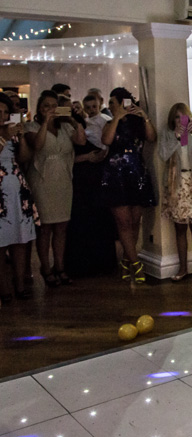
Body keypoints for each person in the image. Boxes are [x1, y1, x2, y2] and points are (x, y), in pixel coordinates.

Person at [24, 90, 86, 287]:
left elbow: (82, 141)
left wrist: (73, 120)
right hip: (42, 180)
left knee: (61, 227)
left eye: (53, 105)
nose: (51, 109)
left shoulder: (66, 126)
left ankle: (60, 266)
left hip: (64, 180)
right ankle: (46, 267)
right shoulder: (32, 127)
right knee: (45, 228)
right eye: (46, 106)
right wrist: (45, 122)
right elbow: (38, 145)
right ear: (40, 109)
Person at [101, 87, 157, 283]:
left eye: (113, 103)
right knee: (123, 223)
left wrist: (144, 116)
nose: (110, 107)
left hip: (137, 174)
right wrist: (116, 117)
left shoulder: (138, 124)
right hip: (116, 176)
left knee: (135, 222)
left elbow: (151, 138)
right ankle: (137, 265)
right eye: (109, 104)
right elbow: (106, 140)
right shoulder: (109, 123)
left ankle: (126, 261)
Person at [160, 102, 192, 282]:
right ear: (172, 119)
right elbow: (163, 155)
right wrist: (176, 138)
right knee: (180, 228)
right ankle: (183, 268)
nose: (180, 121)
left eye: (183, 117)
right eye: (176, 117)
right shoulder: (167, 134)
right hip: (176, 184)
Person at [64, 95, 115, 277]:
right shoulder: (70, 126)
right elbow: (78, 147)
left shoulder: (100, 121)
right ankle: (81, 263)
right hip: (79, 178)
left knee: (98, 217)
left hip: (96, 176)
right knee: (81, 219)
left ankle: (102, 262)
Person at [0, 92, 38, 302]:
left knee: (20, 238)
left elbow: (24, 158)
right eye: (0, 111)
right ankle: (4, 288)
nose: (3, 115)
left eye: (6, 111)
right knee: (1, 240)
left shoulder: (13, 132)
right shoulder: (4, 134)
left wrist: (21, 136)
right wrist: (4, 135)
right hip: (0, 192)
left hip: (16, 187)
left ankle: (20, 284)